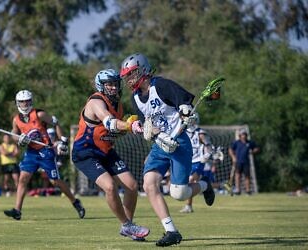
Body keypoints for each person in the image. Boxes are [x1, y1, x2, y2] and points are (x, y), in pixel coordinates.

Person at [120, 53, 215, 246]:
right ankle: (171, 231)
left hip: (179, 142)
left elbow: (184, 102)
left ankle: (204, 184)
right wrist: (144, 128)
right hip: (160, 145)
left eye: (132, 74)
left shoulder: (161, 86)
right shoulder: (135, 99)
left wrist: (185, 110)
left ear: (143, 70)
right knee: (149, 184)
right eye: (126, 76)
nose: (129, 79)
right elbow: (147, 123)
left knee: (179, 194)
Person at [72, 69, 149, 241]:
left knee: (132, 186)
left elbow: (113, 132)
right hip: (85, 152)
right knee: (109, 186)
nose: (113, 88)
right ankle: (128, 225)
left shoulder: (118, 105)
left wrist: (131, 127)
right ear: (101, 85)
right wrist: (129, 126)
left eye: (115, 84)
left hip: (106, 151)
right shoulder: (96, 101)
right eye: (109, 84)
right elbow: (108, 121)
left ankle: (127, 226)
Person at [4, 90, 85, 220]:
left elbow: (55, 122)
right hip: (31, 153)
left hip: (45, 151)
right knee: (23, 178)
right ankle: (17, 210)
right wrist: (18, 139)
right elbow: (14, 133)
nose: (25, 104)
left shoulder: (39, 114)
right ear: (17, 103)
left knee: (55, 182)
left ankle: (75, 202)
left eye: (27, 101)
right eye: (22, 102)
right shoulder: (16, 120)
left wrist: (63, 140)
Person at [180, 122, 213, 213]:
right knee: (186, 183)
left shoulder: (200, 133)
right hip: (188, 160)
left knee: (190, 180)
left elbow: (208, 145)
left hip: (199, 160)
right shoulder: (183, 131)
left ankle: (188, 206)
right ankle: (205, 183)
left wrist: (207, 154)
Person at [228, 128, 259, 195]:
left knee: (247, 176)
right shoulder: (236, 142)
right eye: (242, 134)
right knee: (237, 175)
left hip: (246, 162)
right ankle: (238, 190)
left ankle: (248, 190)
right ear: (240, 135)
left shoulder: (249, 142)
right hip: (238, 162)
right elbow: (230, 149)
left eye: (245, 134)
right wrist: (233, 157)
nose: (244, 136)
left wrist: (253, 151)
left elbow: (256, 148)